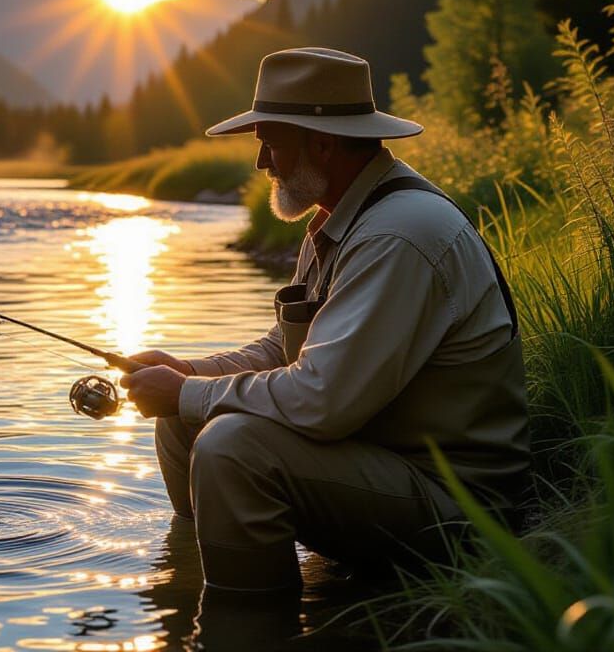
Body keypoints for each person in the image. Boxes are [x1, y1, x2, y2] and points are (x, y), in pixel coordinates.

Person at [120, 47, 531, 593]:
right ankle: (194, 589)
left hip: (457, 505)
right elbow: (282, 350)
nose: (261, 161)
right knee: (182, 419)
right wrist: (187, 374)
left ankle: (248, 625)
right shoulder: (343, 217)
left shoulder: (395, 236)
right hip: (381, 464)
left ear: (322, 142)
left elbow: (322, 400)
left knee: (230, 448)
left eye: (270, 142)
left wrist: (188, 392)